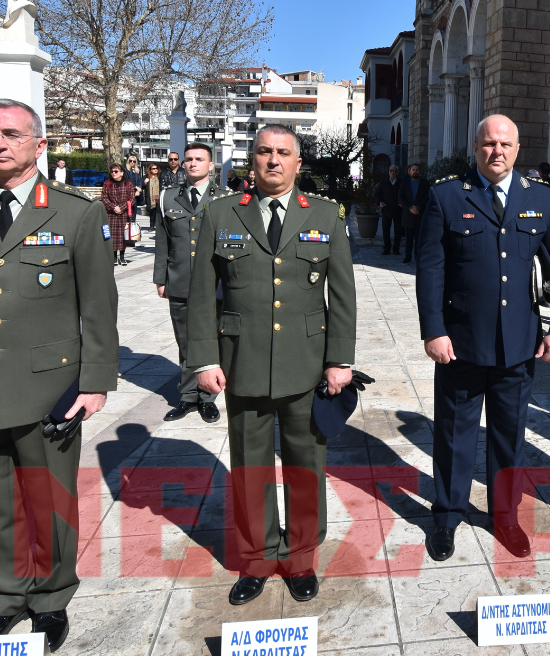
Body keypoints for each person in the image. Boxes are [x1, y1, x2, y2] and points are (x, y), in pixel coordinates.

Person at [0, 98, 119, 651]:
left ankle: (52, 597)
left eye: (10, 133)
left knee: (49, 498)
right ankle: (7, 596)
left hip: (49, 387)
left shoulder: (75, 212)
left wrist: (95, 381)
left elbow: (98, 307)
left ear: (39, 143)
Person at [189, 124, 356, 605]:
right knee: (250, 466)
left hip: (307, 364)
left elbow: (342, 296)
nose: (273, 161)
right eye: (264, 152)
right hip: (242, 362)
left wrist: (339, 360)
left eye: (284, 153)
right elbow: (202, 295)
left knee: (306, 465)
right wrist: (203, 358)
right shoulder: (221, 214)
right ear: (251, 159)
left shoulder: (324, 214)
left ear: (298, 163)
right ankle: (259, 559)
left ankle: (301, 557)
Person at [415, 114, 550, 563]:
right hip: (461, 343)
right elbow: (431, 268)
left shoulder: (540, 199)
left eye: (505, 143)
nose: (497, 151)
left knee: (509, 436)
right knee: (453, 434)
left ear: (517, 149)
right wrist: (434, 330)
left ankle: (506, 515)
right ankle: (446, 515)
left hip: (518, 344)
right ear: (475, 146)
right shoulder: (447, 195)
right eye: (489, 143)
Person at [154, 143, 222, 424]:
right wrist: (161, 278)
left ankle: (208, 397)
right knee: (184, 340)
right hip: (180, 278)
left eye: (199, 159)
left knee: (210, 339)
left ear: (211, 165)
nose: (193, 163)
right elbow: (163, 240)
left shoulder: (226, 198)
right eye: (188, 159)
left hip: (214, 282)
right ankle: (188, 396)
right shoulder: (168, 197)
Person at [102, 163, 136, 265]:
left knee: (123, 236)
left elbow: (132, 198)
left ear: (121, 173)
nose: (113, 173)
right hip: (111, 214)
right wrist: (113, 207)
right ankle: (113, 258)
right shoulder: (107, 183)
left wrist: (121, 208)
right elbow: (104, 198)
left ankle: (122, 256)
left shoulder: (128, 183)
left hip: (124, 214)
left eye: (116, 171)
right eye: (112, 171)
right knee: (112, 236)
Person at [396, 163, 430, 264]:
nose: (415, 171)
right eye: (413, 170)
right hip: (408, 215)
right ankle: (407, 257)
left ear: (420, 171)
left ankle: (418, 257)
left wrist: (418, 207)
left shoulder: (425, 184)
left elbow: (427, 197)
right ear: (409, 171)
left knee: (419, 239)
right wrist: (410, 207)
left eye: (417, 170)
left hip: (420, 215)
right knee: (408, 239)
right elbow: (401, 198)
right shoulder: (404, 183)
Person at [375, 165, 403, 255]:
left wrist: (403, 203)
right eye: (391, 171)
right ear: (388, 172)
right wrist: (380, 202)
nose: (393, 173)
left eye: (395, 171)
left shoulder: (401, 182)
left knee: (398, 231)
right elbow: (377, 194)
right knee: (386, 231)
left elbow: (406, 194)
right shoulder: (384, 182)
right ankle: (387, 248)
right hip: (386, 210)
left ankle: (396, 249)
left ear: (397, 173)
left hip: (398, 210)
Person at [142, 163, 162, 231]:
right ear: (150, 170)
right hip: (151, 198)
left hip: (159, 197)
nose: (155, 170)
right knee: (152, 212)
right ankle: (152, 225)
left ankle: (159, 226)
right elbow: (142, 187)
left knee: (159, 213)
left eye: (156, 168)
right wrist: (145, 182)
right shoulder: (146, 177)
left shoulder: (160, 176)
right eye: (153, 168)